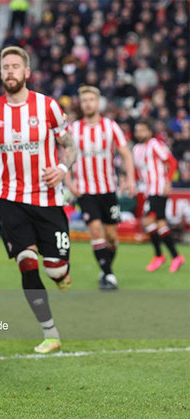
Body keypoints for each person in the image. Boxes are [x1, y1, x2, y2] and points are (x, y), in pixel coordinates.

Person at [0, 46, 78, 354]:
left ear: (26, 72)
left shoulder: (48, 106)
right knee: (26, 261)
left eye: (15, 66)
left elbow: (69, 144)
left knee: (56, 270)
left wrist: (62, 169)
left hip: (47, 198)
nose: (9, 71)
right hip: (9, 198)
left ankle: (62, 273)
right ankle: (51, 333)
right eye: (5, 66)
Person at [64, 86, 137, 290]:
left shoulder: (110, 126)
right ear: (81, 103)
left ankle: (105, 269)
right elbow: (66, 158)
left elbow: (126, 154)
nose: (88, 103)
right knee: (95, 230)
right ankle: (108, 274)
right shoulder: (74, 129)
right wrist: (69, 182)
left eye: (91, 100)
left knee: (112, 237)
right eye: (84, 100)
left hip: (108, 189)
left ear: (98, 103)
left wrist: (130, 179)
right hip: (85, 191)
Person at [132, 120, 184, 273]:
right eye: (137, 130)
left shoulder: (155, 144)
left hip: (159, 188)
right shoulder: (136, 149)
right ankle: (174, 256)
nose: (139, 133)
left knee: (149, 220)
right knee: (159, 223)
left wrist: (168, 182)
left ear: (149, 131)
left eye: (142, 129)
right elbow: (137, 170)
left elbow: (172, 162)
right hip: (147, 190)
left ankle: (161, 255)